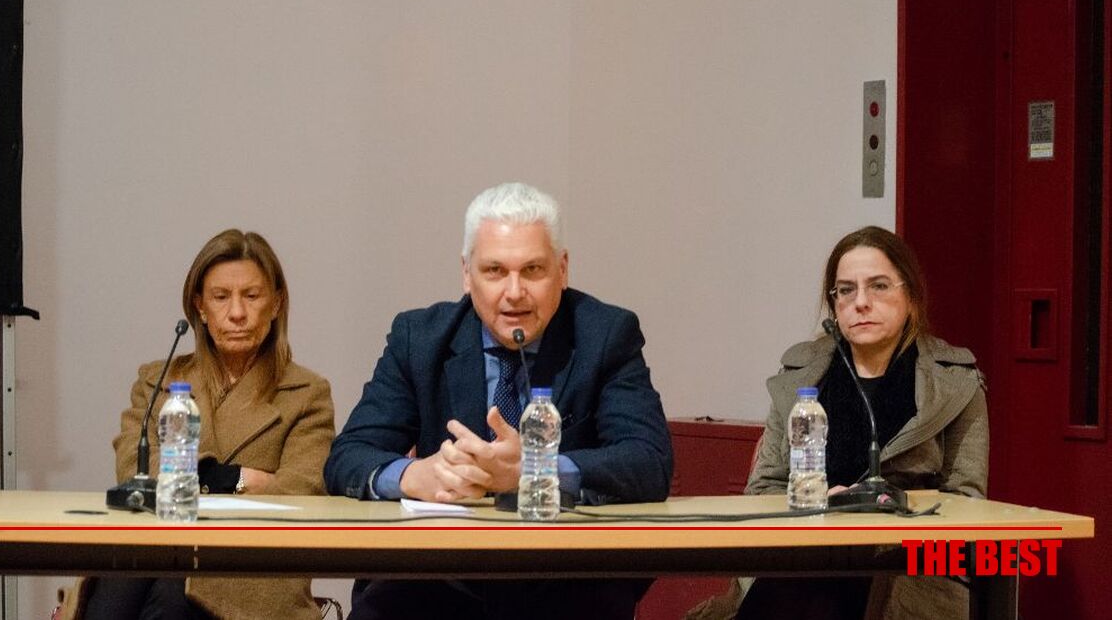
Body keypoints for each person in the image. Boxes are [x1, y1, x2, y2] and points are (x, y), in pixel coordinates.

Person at [323, 182, 674, 620]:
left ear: (562, 270)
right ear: (466, 274)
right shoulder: (419, 338)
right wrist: (415, 476)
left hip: (563, 580)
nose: (514, 292)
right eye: (494, 271)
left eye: (533, 270)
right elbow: (348, 457)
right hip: (436, 579)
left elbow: (649, 461)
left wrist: (535, 470)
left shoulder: (605, 335)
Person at [690, 226, 989, 620]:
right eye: (846, 290)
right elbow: (764, 489)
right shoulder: (799, 378)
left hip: (906, 574)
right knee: (809, 590)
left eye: (879, 286)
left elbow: (966, 506)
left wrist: (881, 513)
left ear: (911, 296)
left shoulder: (955, 383)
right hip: (805, 559)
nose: (861, 303)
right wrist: (819, 506)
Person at [81, 229, 336, 620]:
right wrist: (235, 478)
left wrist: (193, 480)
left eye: (251, 296)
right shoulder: (158, 381)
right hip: (159, 550)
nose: (237, 313)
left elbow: (300, 492)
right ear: (200, 307)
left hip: (254, 568)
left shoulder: (306, 393)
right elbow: (136, 471)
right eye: (220, 297)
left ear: (276, 304)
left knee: (169, 592)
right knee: (132, 580)